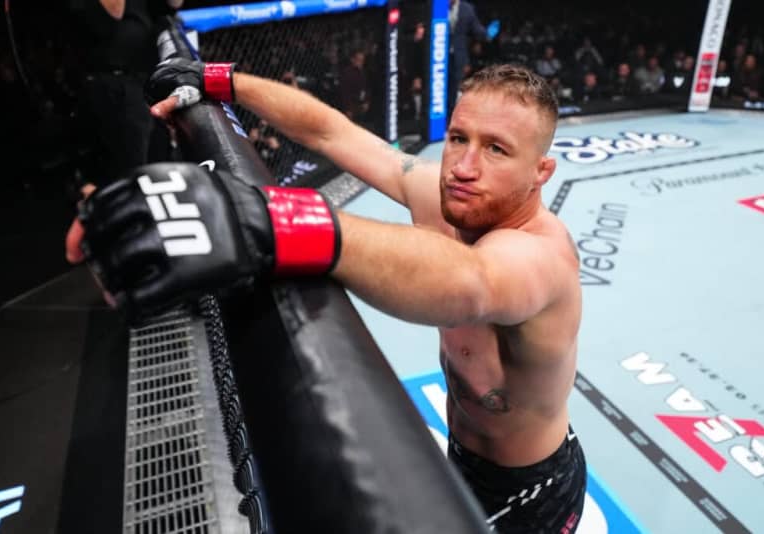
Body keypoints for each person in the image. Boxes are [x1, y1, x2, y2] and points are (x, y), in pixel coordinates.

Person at [65, 59, 586, 533]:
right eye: (457, 138)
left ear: (540, 172)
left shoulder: (542, 257)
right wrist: (221, 80)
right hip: (462, 450)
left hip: (531, 492)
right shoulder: (445, 193)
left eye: (496, 149)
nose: (464, 166)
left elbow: (473, 280)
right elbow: (331, 132)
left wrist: (266, 220)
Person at [67, 0, 181, 186]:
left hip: (143, 83)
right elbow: (111, 16)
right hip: (113, 85)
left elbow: (172, 5)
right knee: (131, 179)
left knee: (159, 170)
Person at [448, 0, 487, 116]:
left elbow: (476, 28)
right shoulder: (437, 6)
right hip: (439, 54)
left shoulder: (467, 8)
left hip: (459, 55)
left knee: (456, 87)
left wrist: (486, 33)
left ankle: (454, 118)